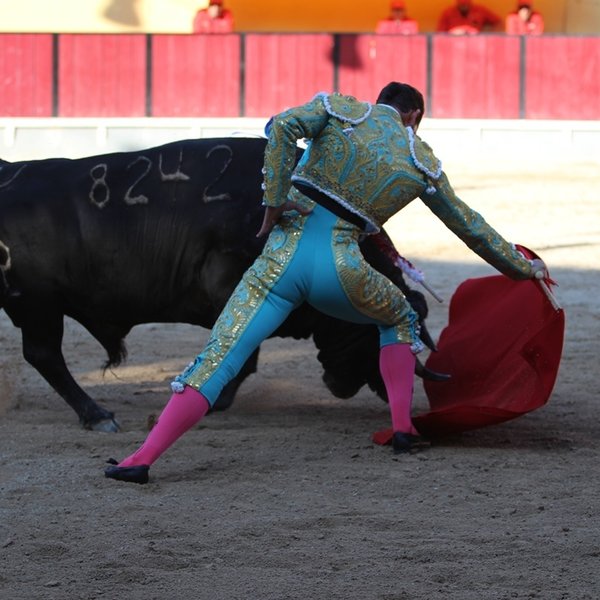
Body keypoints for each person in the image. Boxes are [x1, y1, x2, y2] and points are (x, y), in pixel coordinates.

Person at [105, 82, 546, 484]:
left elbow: (278, 128)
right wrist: (524, 269)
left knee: (221, 355)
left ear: (381, 102)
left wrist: (275, 201)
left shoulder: (340, 110)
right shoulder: (420, 160)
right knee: (400, 315)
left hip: (278, 264)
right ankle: (403, 429)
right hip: (343, 270)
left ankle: (142, 459)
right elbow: (469, 227)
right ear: (414, 116)